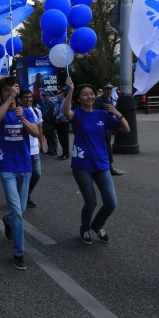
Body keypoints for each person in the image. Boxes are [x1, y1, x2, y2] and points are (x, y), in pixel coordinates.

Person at [62, 76, 130, 245]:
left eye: (91, 94)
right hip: (82, 166)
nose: (89, 97)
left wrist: (118, 114)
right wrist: (71, 90)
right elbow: (66, 112)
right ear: (79, 98)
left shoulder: (102, 114)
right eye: (85, 94)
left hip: (101, 165)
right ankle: (84, 228)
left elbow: (126, 129)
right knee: (91, 202)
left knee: (111, 202)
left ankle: (97, 225)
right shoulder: (77, 115)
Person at [0, 76, 40, 270]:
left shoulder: (25, 111)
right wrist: (10, 99)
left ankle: (7, 219)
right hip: (6, 166)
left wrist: (22, 118)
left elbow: (35, 132)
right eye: (6, 90)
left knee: (20, 209)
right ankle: (18, 253)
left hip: (24, 166)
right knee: (17, 211)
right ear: (1, 94)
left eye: (14, 88)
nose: (11, 92)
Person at [19, 89, 44, 208]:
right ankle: (21, 198)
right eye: (25, 97)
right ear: (20, 99)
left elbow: (39, 129)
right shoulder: (16, 111)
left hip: (34, 149)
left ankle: (26, 194)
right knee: (23, 176)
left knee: (37, 174)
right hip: (21, 149)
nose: (28, 99)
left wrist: (41, 144)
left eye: (30, 97)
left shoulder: (36, 111)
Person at [93, 83, 125, 176]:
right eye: (107, 89)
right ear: (103, 90)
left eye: (110, 89)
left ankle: (107, 166)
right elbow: (95, 113)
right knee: (104, 146)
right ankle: (108, 167)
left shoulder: (109, 99)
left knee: (106, 146)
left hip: (107, 126)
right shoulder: (99, 100)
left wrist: (113, 127)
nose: (109, 91)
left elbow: (111, 115)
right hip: (100, 127)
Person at [41, 91, 59, 156]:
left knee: (53, 137)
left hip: (50, 122)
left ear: (49, 96)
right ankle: (50, 150)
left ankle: (54, 150)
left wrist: (41, 115)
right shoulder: (44, 103)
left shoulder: (51, 103)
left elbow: (49, 112)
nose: (44, 97)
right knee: (47, 136)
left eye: (45, 96)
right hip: (45, 122)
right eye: (43, 96)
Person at [55, 89, 71, 160]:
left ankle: (66, 154)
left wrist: (57, 117)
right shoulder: (59, 102)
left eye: (59, 93)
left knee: (64, 139)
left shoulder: (66, 101)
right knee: (61, 138)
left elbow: (65, 112)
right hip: (59, 122)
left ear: (63, 94)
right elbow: (56, 110)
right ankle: (63, 153)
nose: (57, 95)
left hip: (64, 122)